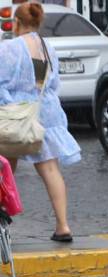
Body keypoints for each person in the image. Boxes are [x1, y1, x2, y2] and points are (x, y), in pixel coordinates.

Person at [0, 3, 81, 243]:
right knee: (50, 169)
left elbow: (2, 82)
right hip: (45, 113)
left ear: (16, 24)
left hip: (17, 116)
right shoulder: (47, 47)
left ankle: (3, 221)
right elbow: (52, 84)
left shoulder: (9, 48)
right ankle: (63, 225)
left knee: (5, 168)